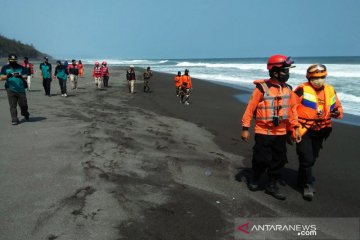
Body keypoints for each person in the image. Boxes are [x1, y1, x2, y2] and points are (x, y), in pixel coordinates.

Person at [240, 54, 301, 200]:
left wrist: (295, 128)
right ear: (275, 72)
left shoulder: (288, 89)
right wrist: (245, 128)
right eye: (285, 71)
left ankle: (272, 184)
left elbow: (292, 111)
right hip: (263, 131)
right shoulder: (261, 89)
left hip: (280, 132)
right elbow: (250, 108)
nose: (287, 74)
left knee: (279, 160)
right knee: (261, 158)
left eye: (288, 71)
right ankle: (255, 177)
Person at [293, 64, 343, 201]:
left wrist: (337, 112)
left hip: (322, 130)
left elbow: (338, 108)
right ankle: (308, 185)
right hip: (304, 129)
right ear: (309, 78)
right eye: (315, 78)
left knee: (312, 158)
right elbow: (291, 109)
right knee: (307, 157)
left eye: (321, 77)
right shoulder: (301, 90)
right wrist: (292, 128)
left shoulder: (330, 90)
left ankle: (301, 180)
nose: (318, 80)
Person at [0, 54, 30, 125]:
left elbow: (25, 77)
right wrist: (7, 76)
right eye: (11, 60)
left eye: (14, 60)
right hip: (10, 89)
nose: (13, 62)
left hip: (21, 89)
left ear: (16, 60)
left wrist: (20, 76)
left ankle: (25, 113)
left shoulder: (22, 68)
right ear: (9, 60)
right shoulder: (5, 68)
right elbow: (1, 78)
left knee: (23, 105)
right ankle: (14, 119)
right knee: (12, 105)